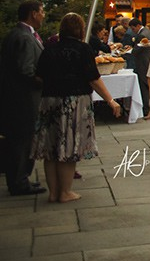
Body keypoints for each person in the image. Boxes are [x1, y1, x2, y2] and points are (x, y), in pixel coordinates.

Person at [31, 13, 122, 203]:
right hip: (74, 102)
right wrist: (110, 100)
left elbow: (39, 77)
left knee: (51, 148)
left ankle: (53, 193)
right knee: (69, 147)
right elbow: (93, 78)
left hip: (49, 101)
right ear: (80, 29)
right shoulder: (83, 49)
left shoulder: (49, 49)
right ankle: (65, 192)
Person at [1, 0, 47, 196]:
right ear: (33, 13)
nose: (43, 15)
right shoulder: (24, 38)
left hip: (17, 98)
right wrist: (45, 81)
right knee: (22, 141)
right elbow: (25, 71)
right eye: (42, 11)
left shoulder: (17, 34)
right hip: (24, 100)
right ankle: (19, 182)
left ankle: (21, 179)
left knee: (20, 140)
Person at [127, 18, 150, 116]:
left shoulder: (142, 35)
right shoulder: (147, 31)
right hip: (147, 60)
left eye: (133, 29)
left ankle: (145, 108)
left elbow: (136, 50)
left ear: (138, 26)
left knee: (143, 85)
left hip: (142, 62)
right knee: (145, 84)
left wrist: (129, 51)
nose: (133, 31)